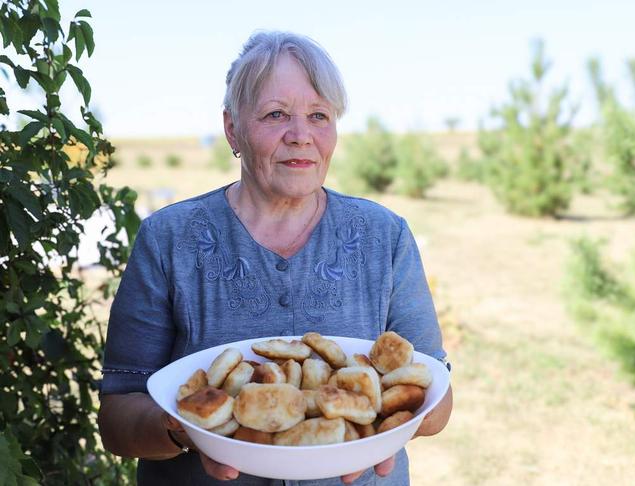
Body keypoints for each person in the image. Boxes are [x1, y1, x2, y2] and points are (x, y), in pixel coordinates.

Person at [98, 31, 453, 486]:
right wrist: (191, 428)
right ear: (232, 129)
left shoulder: (385, 236)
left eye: (319, 115)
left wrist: (386, 431)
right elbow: (117, 417)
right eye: (276, 114)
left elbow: (436, 399)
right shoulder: (169, 239)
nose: (301, 135)